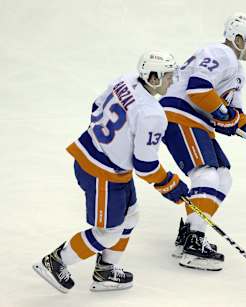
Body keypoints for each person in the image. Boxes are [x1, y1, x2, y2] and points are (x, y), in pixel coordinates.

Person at [33, 51, 189, 293]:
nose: (173, 80)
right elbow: (146, 166)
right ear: (154, 77)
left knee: (130, 216)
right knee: (108, 232)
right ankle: (55, 261)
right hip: (102, 172)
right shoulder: (152, 114)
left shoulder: (125, 80)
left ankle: (106, 271)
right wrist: (170, 184)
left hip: (102, 161)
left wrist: (110, 143)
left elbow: (96, 105)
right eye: (168, 76)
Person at [160, 12, 246, 271]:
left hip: (197, 122)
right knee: (207, 176)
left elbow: (232, 113)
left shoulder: (237, 71)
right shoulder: (218, 52)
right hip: (180, 114)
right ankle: (194, 244)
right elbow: (199, 88)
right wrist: (224, 116)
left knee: (223, 177)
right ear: (237, 38)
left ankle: (189, 234)